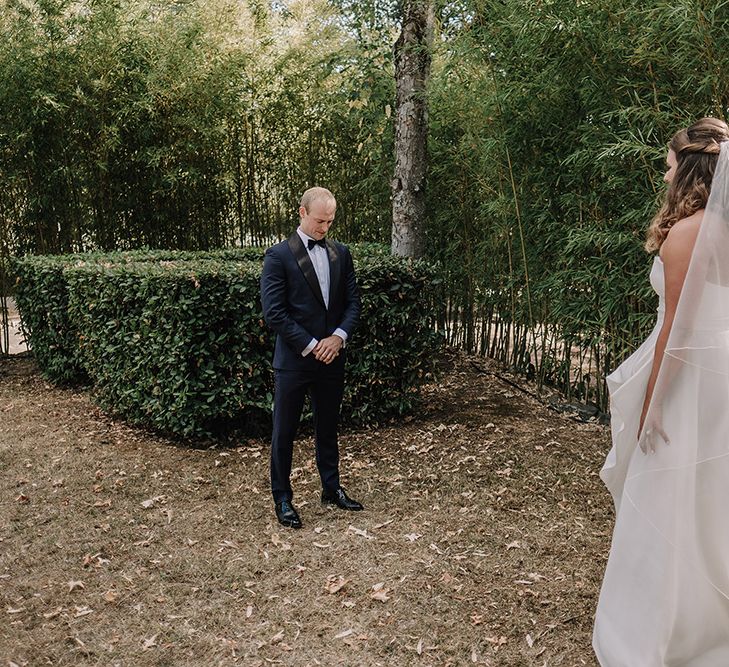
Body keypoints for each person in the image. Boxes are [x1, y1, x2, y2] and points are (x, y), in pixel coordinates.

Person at [594, 117, 729, 665]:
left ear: (690, 168)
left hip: (690, 373)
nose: (664, 169)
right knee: (712, 488)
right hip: (722, 372)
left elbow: (675, 329)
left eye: (670, 161)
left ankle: (660, 635)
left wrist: (650, 403)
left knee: (667, 484)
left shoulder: (688, 231)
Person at [260, 186, 363, 529]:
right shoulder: (278, 256)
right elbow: (274, 313)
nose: (325, 228)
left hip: (332, 358)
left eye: (330, 221)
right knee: (284, 431)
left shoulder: (341, 253)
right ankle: (283, 498)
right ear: (302, 213)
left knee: (328, 427)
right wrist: (311, 344)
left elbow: (352, 304)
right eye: (320, 220)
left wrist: (337, 338)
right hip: (294, 360)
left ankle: (331, 489)